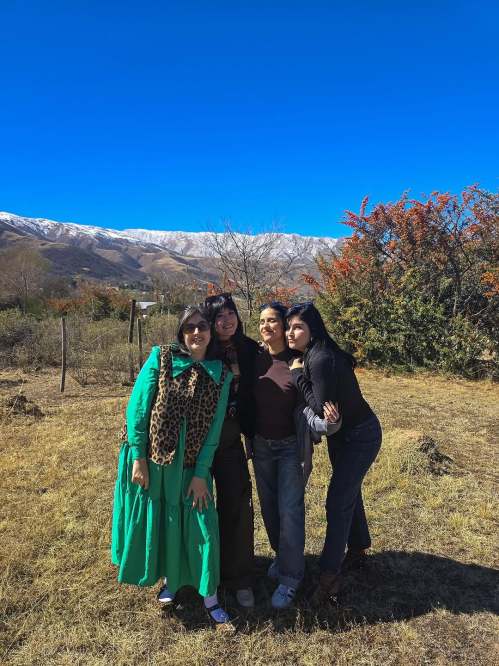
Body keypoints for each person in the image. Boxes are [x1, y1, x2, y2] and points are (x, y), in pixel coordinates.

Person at [111, 305, 233, 625]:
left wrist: (202, 474)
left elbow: (214, 429)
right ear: (181, 333)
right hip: (154, 461)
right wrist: (138, 457)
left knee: (203, 527)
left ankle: (210, 595)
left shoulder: (221, 374)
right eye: (189, 327)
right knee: (164, 524)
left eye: (202, 326)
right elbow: (138, 408)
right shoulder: (162, 358)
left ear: (211, 331)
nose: (196, 332)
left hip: (191, 466)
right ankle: (172, 581)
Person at [286, 302, 382, 605]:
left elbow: (320, 409)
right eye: (288, 327)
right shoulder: (314, 353)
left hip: (360, 436)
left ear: (312, 329)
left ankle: (329, 577)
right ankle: (358, 548)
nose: (290, 332)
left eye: (297, 327)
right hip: (345, 436)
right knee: (348, 492)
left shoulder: (320, 359)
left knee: (338, 501)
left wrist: (297, 376)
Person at [204, 293, 259, 608]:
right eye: (218, 316)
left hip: (230, 437)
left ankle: (239, 577)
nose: (226, 321)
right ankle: (195, 571)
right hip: (197, 439)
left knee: (237, 503)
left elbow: (254, 394)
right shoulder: (201, 349)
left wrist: (250, 433)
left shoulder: (249, 349)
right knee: (195, 507)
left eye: (230, 313)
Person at [250, 301, 306, 609]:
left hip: (289, 447)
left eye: (272, 320)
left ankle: (291, 579)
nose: (266, 326)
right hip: (261, 446)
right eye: (262, 321)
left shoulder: (299, 361)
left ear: (284, 326)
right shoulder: (256, 358)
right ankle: (282, 557)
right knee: (270, 509)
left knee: (290, 511)